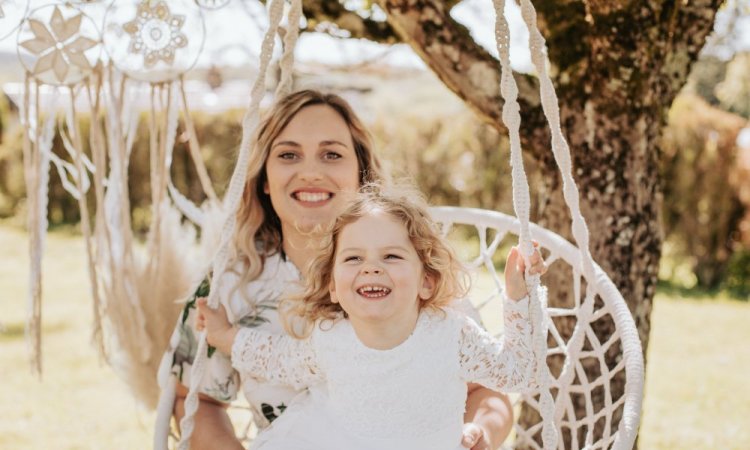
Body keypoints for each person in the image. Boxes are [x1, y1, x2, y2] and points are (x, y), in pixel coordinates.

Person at [167, 90, 516, 449]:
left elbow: (487, 390)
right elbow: (195, 400)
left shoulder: (409, 270)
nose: (311, 172)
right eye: (288, 155)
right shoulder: (231, 281)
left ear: (361, 174)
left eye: (331, 154)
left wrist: (479, 433)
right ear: (265, 179)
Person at [195, 184, 547, 450]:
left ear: (427, 280)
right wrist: (225, 335)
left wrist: (520, 297)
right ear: (333, 286)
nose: (371, 268)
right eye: (353, 259)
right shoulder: (330, 337)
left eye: (391, 256)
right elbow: (279, 360)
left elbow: (519, 371)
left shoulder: (450, 333)